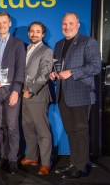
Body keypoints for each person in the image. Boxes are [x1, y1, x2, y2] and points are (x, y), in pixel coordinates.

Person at [49, 12, 101, 179]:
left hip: (81, 94)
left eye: (71, 23)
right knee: (71, 131)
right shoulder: (58, 45)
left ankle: (81, 167)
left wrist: (71, 72)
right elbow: (59, 68)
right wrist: (54, 74)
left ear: (78, 24)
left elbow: (95, 67)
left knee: (80, 131)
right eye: (64, 24)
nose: (67, 27)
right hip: (63, 94)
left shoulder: (88, 42)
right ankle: (74, 162)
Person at [0, 11, 26, 174]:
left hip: (11, 90)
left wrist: (16, 90)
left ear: (10, 23)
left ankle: (12, 160)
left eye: (4, 22)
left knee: (12, 127)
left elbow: (20, 68)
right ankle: (3, 157)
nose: (1, 25)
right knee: (0, 127)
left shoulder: (18, 44)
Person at [20, 21, 53, 175]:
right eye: (32, 31)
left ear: (43, 34)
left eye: (38, 31)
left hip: (37, 96)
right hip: (23, 95)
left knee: (42, 131)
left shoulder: (46, 51)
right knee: (28, 128)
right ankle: (32, 157)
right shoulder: (26, 49)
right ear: (28, 33)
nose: (34, 34)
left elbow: (45, 73)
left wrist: (31, 90)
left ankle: (46, 163)